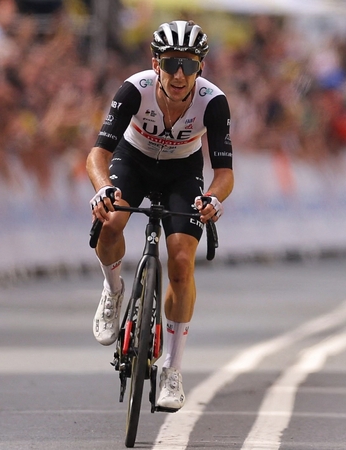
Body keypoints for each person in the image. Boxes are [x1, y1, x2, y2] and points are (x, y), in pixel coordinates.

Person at [86, 20, 234, 412]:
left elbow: (224, 173)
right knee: (110, 222)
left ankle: (172, 367)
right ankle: (113, 290)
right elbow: (98, 154)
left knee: (182, 261)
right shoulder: (134, 90)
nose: (179, 74)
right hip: (132, 161)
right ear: (156, 64)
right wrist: (103, 188)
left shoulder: (213, 102)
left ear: (200, 67)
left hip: (182, 173)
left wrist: (214, 198)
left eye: (189, 64)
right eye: (171, 64)